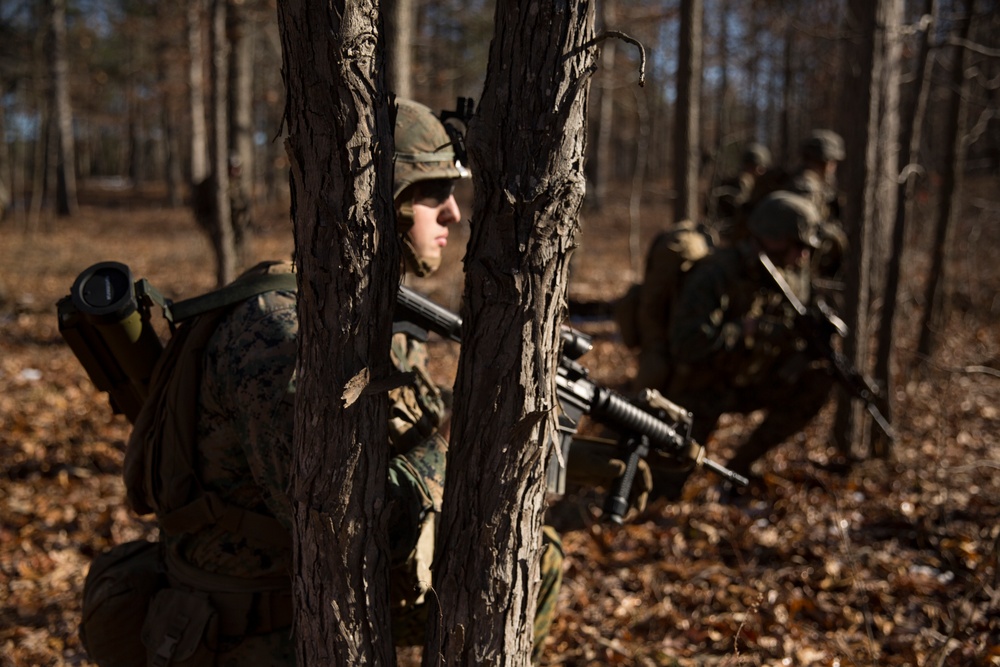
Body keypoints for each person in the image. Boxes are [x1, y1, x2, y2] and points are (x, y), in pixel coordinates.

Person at [116, 98, 642, 666]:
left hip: (298, 601)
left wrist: (564, 453)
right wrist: (487, 451)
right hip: (254, 633)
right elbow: (350, 523)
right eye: (432, 192)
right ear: (380, 204)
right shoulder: (283, 334)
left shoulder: (358, 314)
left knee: (530, 554)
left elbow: (397, 430)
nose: (453, 215)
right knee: (521, 559)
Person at [662, 191, 836, 491]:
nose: (803, 256)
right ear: (772, 238)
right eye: (797, 246)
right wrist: (744, 330)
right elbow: (686, 344)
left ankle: (738, 470)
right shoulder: (717, 273)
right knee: (664, 486)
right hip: (700, 388)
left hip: (748, 381)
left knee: (818, 380)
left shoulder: (791, 277)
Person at [786, 129, 849, 281]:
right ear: (826, 161)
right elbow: (801, 228)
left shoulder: (808, 183)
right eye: (833, 162)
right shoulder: (806, 186)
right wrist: (834, 234)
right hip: (795, 264)